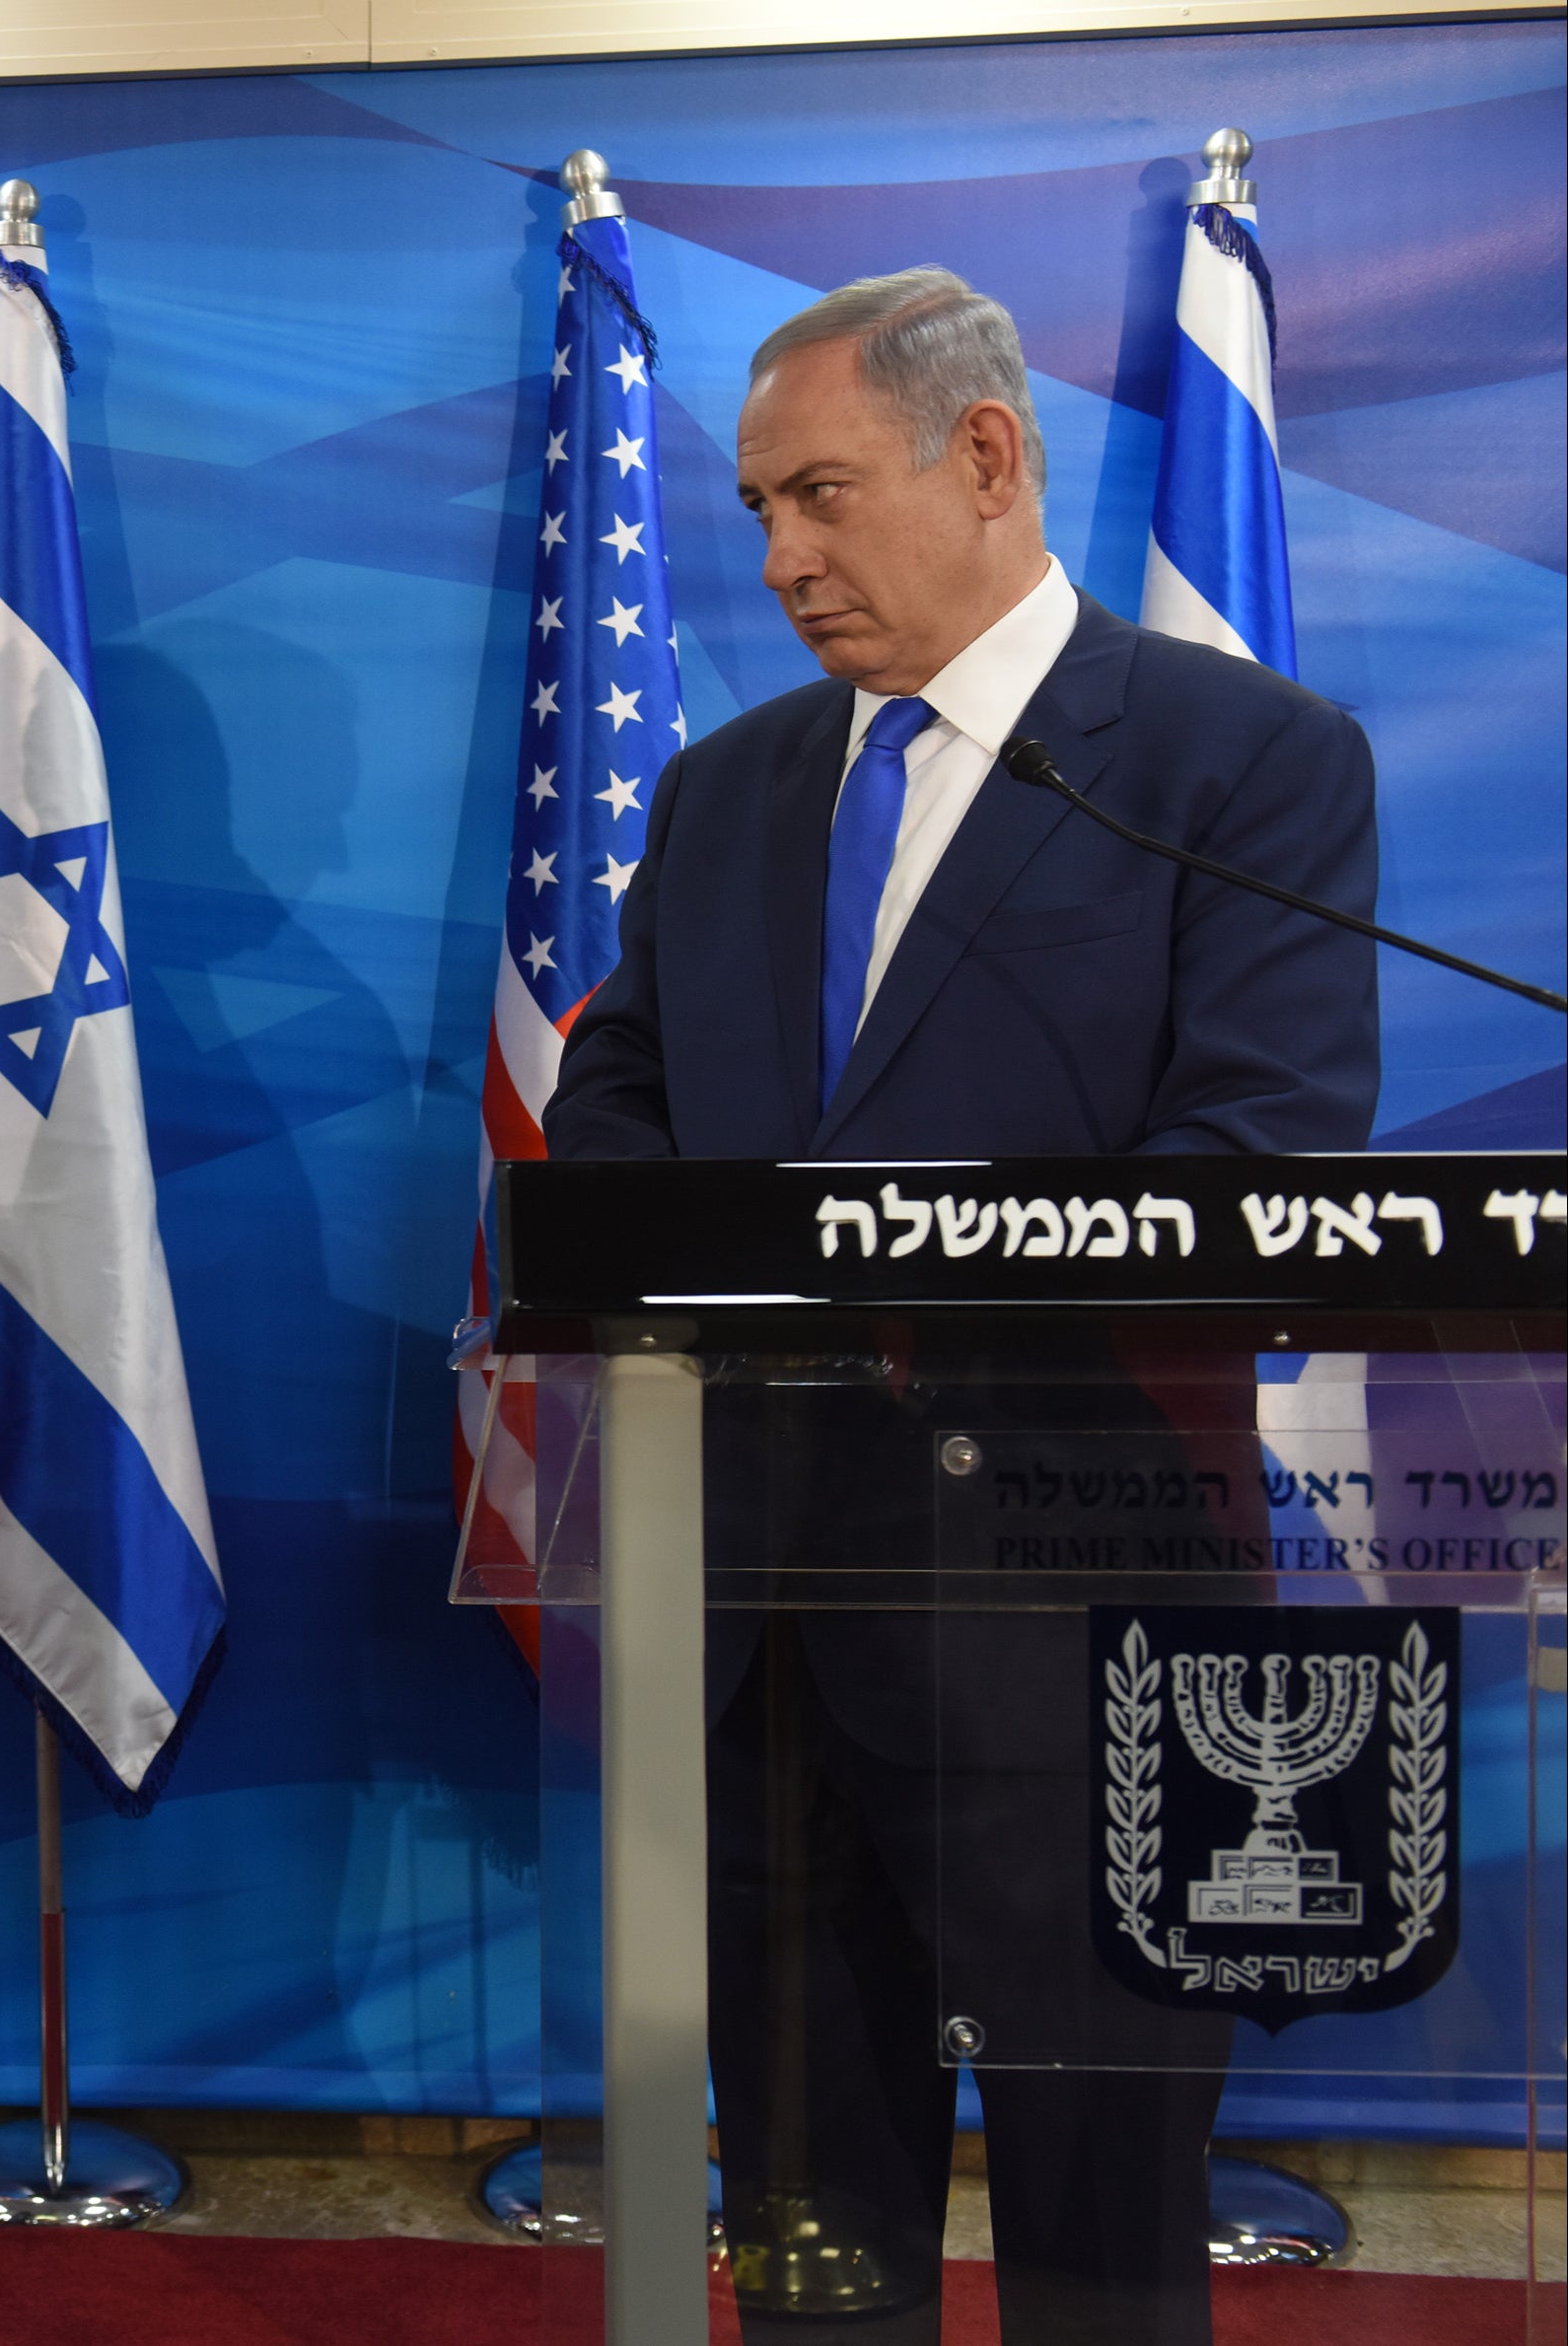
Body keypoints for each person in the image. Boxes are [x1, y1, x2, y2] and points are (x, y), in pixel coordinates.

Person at [547, 269, 1377, 2345]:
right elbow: (612, 1091)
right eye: (749, 509)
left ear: (986, 456)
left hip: (1076, 1628)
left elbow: (1255, 1171)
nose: (776, 557)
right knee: (812, 2245)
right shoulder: (724, 788)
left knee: (1103, 2259)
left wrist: (865, 1251)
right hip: (756, 1627)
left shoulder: (1230, 764)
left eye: (816, 493)